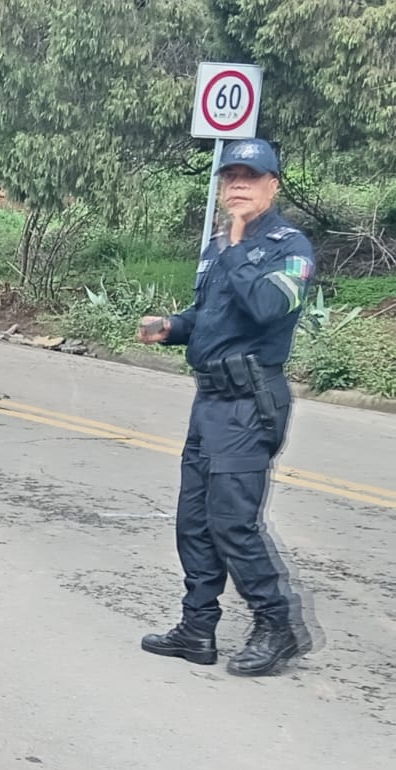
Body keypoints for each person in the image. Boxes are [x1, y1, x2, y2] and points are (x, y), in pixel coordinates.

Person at [136, 137, 314, 677]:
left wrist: (236, 244)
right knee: (193, 520)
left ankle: (277, 625)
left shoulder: (292, 246)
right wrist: (171, 328)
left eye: (250, 176)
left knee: (233, 521)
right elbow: (207, 317)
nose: (237, 184)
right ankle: (197, 628)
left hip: (249, 402)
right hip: (209, 398)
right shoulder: (217, 247)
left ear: (272, 185)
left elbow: (265, 307)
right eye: (229, 175)